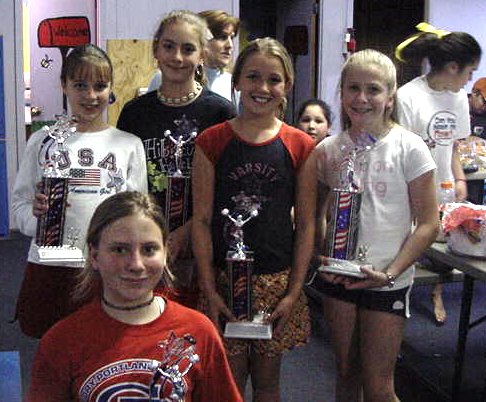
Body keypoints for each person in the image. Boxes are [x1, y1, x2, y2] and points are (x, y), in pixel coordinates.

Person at [25, 191, 242, 402]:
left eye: (149, 249)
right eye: (120, 250)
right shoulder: (62, 341)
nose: (136, 265)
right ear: (94, 255)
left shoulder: (198, 331)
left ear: (165, 253)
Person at [192, 37, 316, 401]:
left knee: (267, 382)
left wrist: (294, 291)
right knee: (227, 383)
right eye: (253, 77)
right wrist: (209, 289)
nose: (262, 87)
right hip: (223, 279)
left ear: (287, 85)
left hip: (276, 281)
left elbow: (306, 224)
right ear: (237, 81)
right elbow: (201, 220)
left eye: (273, 79)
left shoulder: (300, 145)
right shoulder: (211, 141)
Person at [314, 49, 439, 402]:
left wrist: (390, 273)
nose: (362, 98)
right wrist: (322, 257)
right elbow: (315, 214)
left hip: (387, 281)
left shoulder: (410, 148)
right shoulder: (328, 150)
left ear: (390, 96)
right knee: (345, 374)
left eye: (373, 89)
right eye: (353, 88)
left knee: (379, 386)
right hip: (339, 280)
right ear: (341, 92)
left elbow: (429, 224)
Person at [12, 44, 148, 339]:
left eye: (100, 86)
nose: (91, 95)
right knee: (51, 349)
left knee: (102, 348)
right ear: (64, 85)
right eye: (80, 85)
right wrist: (38, 219)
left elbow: (139, 216)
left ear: (110, 88)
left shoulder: (128, 145)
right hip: (51, 263)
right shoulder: (42, 141)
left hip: (105, 267)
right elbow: (19, 205)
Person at [117, 10, 236, 309]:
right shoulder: (134, 113)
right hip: (145, 243)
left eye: (188, 48)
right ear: (156, 50)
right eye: (169, 46)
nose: (177, 57)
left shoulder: (220, 113)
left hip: (203, 248)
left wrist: (188, 231)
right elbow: (124, 183)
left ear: (202, 55)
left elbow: (228, 186)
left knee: (194, 328)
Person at [396, 22, 482, 324]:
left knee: (443, 248)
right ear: (453, 67)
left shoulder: (457, 97)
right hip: (411, 188)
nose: (470, 80)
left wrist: (459, 179)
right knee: (409, 247)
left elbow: (454, 144)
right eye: (469, 72)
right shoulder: (408, 96)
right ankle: (399, 301)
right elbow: (400, 152)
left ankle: (437, 294)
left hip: (444, 186)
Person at [147, 9, 240, 104]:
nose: (230, 45)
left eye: (232, 38)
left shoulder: (232, 83)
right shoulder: (164, 77)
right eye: (222, 37)